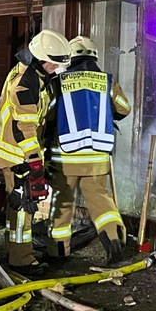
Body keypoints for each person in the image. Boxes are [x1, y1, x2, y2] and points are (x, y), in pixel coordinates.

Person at [0, 28, 70, 277]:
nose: (55, 68)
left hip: (20, 153)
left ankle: (21, 251)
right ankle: (21, 259)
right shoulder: (26, 83)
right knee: (22, 207)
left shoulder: (36, 75)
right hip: (16, 155)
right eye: (53, 64)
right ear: (40, 59)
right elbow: (24, 126)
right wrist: (34, 163)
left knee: (23, 205)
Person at [45, 35, 132, 264]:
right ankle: (114, 243)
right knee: (100, 201)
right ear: (94, 56)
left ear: (70, 56)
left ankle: (58, 252)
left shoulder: (59, 82)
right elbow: (124, 108)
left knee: (62, 203)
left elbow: (49, 113)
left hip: (65, 158)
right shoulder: (106, 81)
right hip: (97, 157)